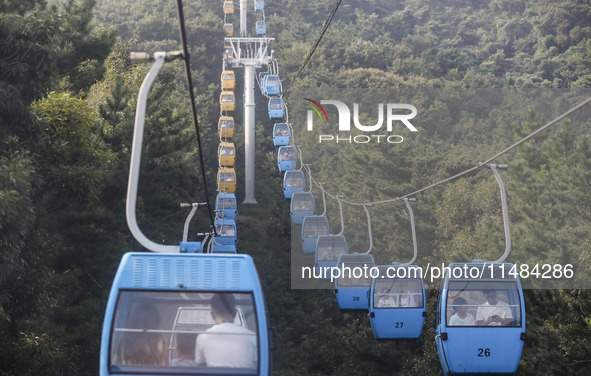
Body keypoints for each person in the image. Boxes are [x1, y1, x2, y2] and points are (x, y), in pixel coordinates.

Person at [195, 293, 257, 368]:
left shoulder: (202, 337)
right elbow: (257, 365)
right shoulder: (252, 336)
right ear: (235, 313)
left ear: (212, 315)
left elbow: (200, 366)